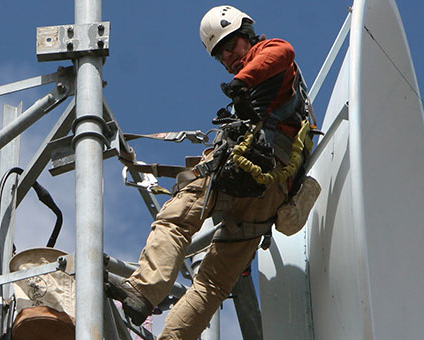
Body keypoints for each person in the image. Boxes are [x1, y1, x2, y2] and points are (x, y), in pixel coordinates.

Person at [106, 5, 319, 340]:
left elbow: (283, 50)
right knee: (213, 284)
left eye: (231, 46)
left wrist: (241, 82)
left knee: (175, 219)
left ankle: (143, 292)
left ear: (247, 35)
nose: (229, 58)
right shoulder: (288, 99)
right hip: (268, 197)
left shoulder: (269, 58)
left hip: (244, 168)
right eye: (220, 55)